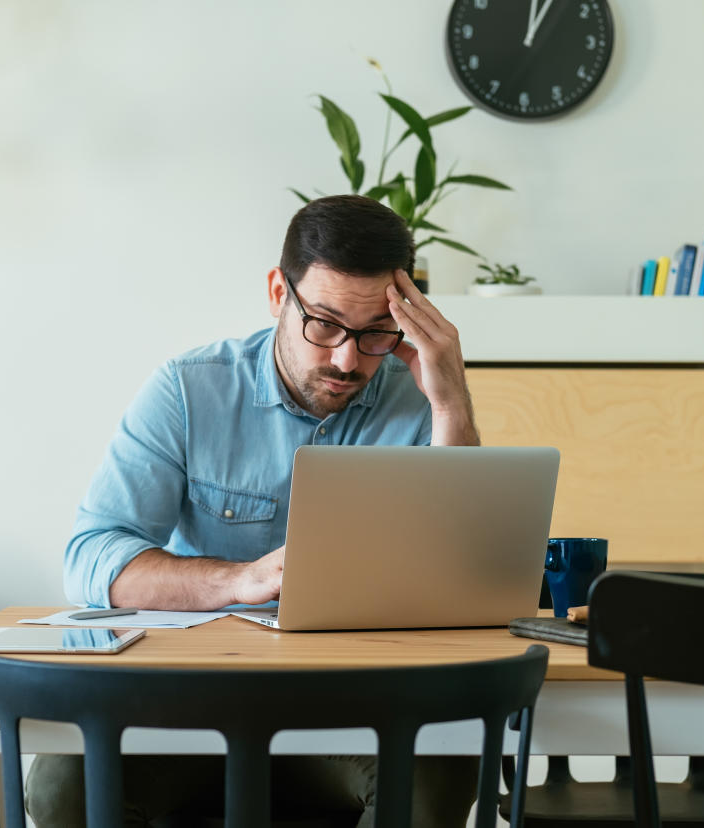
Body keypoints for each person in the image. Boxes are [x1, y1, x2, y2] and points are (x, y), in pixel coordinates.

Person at [29, 195, 481, 827]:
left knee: (436, 771)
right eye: (323, 324)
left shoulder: (423, 403)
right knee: (64, 783)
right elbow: (93, 557)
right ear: (278, 292)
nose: (348, 359)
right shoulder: (190, 389)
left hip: (357, 705)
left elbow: (459, 579)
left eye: (376, 332)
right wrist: (241, 580)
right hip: (191, 701)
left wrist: (452, 399)